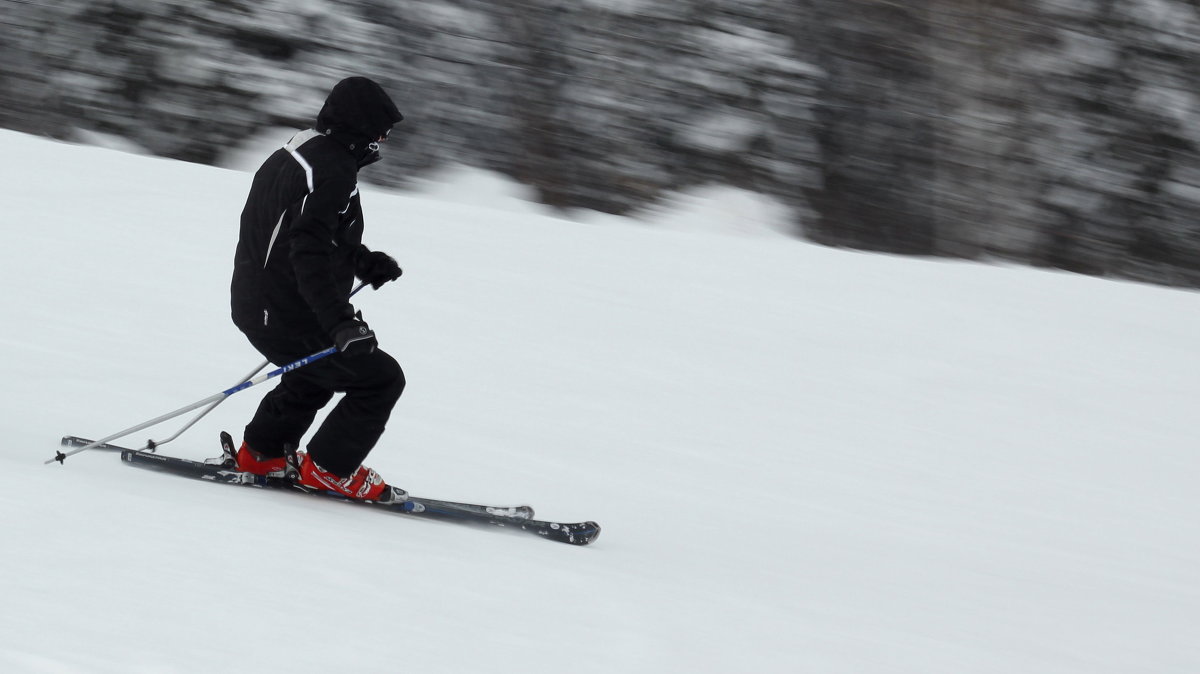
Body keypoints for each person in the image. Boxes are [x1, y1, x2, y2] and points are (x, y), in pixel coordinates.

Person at [229, 76, 407, 502]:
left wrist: (363, 262)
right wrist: (340, 324)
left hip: (258, 303)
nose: (383, 139)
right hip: (286, 310)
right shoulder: (334, 170)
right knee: (381, 379)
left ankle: (262, 453)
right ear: (359, 123)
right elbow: (306, 250)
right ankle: (330, 468)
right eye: (381, 129)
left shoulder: (297, 150)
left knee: (312, 374)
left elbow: (306, 232)